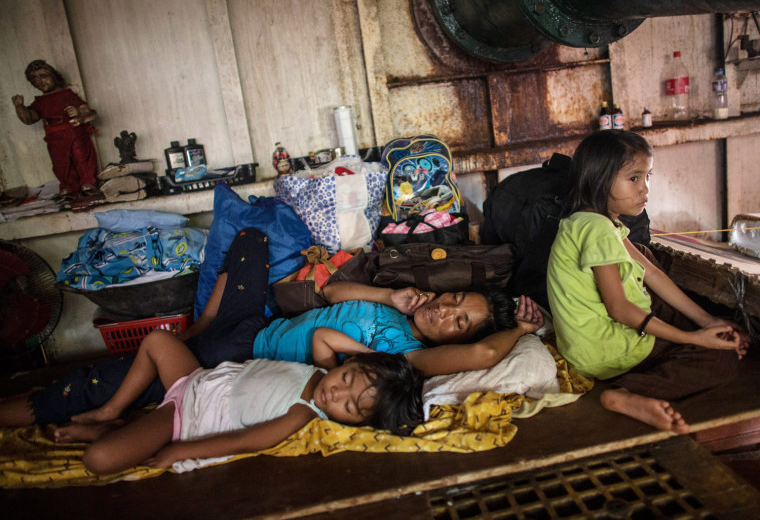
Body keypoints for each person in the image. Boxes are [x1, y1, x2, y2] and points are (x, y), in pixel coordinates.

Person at [0, 227, 543, 428]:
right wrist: (388, 294)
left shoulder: (403, 355)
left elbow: (480, 359)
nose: (445, 310)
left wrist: (520, 331)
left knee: (101, 384)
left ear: (458, 337)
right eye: (451, 299)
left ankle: (179, 351)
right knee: (253, 238)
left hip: (238, 356)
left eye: (459, 321)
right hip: (253, 323)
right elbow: (329, 292)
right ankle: (202, 324)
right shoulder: (398, 308)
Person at [546, 129, 748, 434]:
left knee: (644, 258)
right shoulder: (598, 230)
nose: (645, 189)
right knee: (721, 360)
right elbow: (619, 309)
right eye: (634, 178)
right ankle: (628, 394)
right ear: (600, 178)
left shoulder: (591, 221)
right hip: (608, 348)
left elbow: (653, 275)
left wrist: (707, 322)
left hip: (588, 348)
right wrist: (694, 339)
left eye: (647, 176)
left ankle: (706, 333)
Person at [49, 328, 423, 475]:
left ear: (354, 423)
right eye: (347, 379)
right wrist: (373, 357)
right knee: (155, 342)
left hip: (185, 415)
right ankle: (111, 413)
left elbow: (243, 441)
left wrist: (178, 452)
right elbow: (323, 336)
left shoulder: (302, 414)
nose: (336, 394)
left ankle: (111, 434)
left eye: (351, 407)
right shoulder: (322, 371)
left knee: (98, 461)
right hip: (195, 380)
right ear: (350, 363)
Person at [11, 59, 99, 197]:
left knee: (82, 158)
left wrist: (78, 112)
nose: (39, 81)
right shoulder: (39, 102)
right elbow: (30, 119)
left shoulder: (67, 94)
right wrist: (19, 107)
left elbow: (89, 111)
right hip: (54, 138)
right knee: (60, 163)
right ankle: (69, 186)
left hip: (74, 133)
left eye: (43, 76)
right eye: (34, 78)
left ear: (54, 76)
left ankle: (88, 183)